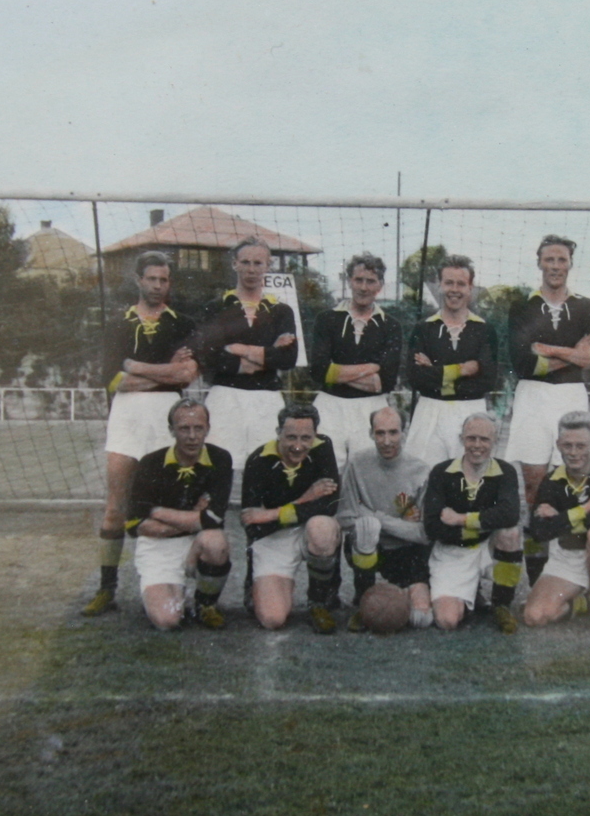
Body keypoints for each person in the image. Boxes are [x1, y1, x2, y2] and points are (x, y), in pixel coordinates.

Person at [86, 251, 200, 616]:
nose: (157, 286)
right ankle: (106, 590)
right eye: (151, 279)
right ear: (138, 280)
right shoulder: (117, 324)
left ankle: (176, 585)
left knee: (174, 504)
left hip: (166, 418)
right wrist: (165, 372)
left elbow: (186, 376)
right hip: (127, 418)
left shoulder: (182, 323)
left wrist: (137, 366)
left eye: (163, 280)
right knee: (115, 507)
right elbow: (114, 381)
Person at [504, 234, 590, 589]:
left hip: (571, 396)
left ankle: (570, 575)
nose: (555, 266)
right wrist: (575, 353)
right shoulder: (522, 307)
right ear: (539, 263)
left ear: (570, 264)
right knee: (534, 487)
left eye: (561, 260)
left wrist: (550, 349)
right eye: (549, 259)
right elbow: (524, 363)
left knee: (572, 484)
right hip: (532, 398)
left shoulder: (585, 307)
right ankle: (537, 580)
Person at [125, 398, 233, 630]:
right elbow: (135, 525)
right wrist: (193, 517)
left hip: (197, 542)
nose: (192, 436)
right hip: (158, 546)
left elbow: (212, 519)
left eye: (198, 428)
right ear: (171, 430)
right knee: (168, 621)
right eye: (184, 428)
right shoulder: (150, 463)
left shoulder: (221, 459)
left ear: (208, 429)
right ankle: (172, 594)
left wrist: (156, 511)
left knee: (215, 542)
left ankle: (205, 604)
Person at [523, 410, 590, 634]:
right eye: (567, 445)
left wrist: (559, 518)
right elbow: (538, 530)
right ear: (558, 445)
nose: (573, 453)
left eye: (581, 446)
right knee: (534, 616)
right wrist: (583, 511)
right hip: (568, 557)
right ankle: (585, 602)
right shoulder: (552, 480)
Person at [193, 238, 297, 469]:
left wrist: (240, 350)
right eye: (245, 262)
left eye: (258, 263)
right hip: (225, 397)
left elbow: (287, 358)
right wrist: (267, 353)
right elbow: (209, 357)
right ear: (235, 264)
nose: (251, 269)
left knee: (267, 467)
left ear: (268, 266)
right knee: (222, 466)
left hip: (267, 398)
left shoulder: (281, 311)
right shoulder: (215, 307)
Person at [240, 403, 343, 632]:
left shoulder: (323, 448)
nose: (298, 446)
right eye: (291, 437)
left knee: (322, 527)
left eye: (306, 438)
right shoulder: (258, 460)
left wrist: (273, 513)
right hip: (273, 538)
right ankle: (254, 584)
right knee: (273, 619)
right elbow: (252, 525)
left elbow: (330, 505)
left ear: (315, 434)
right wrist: (306, 498)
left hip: (304, 529)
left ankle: (318, 601)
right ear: (278, 433)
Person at [422, 411, 522, 632]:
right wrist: (477, 528)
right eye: (471, 438)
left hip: (488, 546)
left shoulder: (505, 471)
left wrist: (461, 519)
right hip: (453, 551)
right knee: (447, 621)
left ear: (495, 441)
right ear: (461, 439)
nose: (477, 445)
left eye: (484, 439)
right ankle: (468, 595)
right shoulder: (441, 472)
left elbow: (510, 514)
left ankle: (501, 604)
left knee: (510, 533)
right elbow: (432, 526)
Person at [336, 405, 434, 631]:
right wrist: (395, 524)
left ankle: (404, 593)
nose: (387, 441)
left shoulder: (420, 470)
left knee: (421, 619)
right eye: (380, 433)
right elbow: (345, 517)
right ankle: (363, 595)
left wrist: (377, 517)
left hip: (407, 551)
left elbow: (423, 533)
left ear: (404, 432)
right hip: (370, 546)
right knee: (366, 528)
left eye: (393, 432)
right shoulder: (357, 463)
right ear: (371, 433)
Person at [403, 254, 497, 466]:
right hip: (429, 411)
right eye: (449, 283)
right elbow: (416, 378)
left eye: (461, 284)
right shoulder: (423, 328)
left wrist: (435, 370)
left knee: (469, 477)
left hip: (471, 409)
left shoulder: (485, 330)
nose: (454, 290)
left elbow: (487, 380)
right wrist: (463, 370)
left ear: (470, 287)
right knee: (424, 475)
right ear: (439, 285)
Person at [309, 252, 402, 460]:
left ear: (380, 285)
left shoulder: (391, 325)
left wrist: (336, 373)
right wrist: (372, 367)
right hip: (329, 406)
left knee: (367, 468)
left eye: (371, 281)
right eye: (359, 280)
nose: (364, 287)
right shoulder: (326, 319)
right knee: (329, 467)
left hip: (372, 407)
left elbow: (385, 381)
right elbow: (319, 370)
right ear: (349, 281)